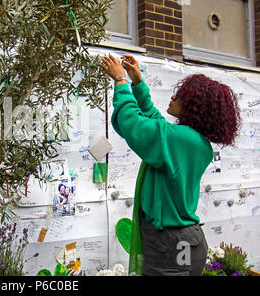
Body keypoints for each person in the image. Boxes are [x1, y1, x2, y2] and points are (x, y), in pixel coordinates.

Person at [100, 54, 241, 276]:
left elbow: (133, 124)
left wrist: (120, 81)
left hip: (173, 245)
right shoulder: (192, 141)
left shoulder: (183, 140)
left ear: (195, 107)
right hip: (180, 242)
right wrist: (137, 83)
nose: (174, 96)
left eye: (181, 96)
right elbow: (157, 123)